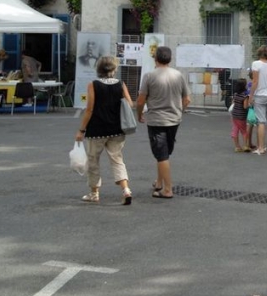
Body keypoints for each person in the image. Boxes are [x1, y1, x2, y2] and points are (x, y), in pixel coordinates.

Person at [75, 56, 133, 205]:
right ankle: (126, 190)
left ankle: (94, 193)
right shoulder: (121, 84)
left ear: (99, 69)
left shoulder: (93, 85)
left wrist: (81, 130)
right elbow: (129, 104)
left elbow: (89, 109)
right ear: (114, 69)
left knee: (93, 161)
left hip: (96, 130)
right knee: (117, 160)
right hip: (117, 129)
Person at [136, 46, 190, 199]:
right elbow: (187, 99)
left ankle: (167, 189)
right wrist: (180, 110)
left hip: (156, 120)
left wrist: (139, 114)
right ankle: (159, 182)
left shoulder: (149, 76)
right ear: (170, 59)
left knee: (161, 155)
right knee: (164, 154)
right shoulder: (178, 75)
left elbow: (140, 100)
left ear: (155, 59)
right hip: (174, 119)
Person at [248, 45, 267, 155]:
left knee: (261, 122)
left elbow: (255, 81)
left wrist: (251, 96)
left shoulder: (256, 64)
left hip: (260, 95)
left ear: (259, 53)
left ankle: (260, 148)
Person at [230, 78, 251, 152]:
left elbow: (233, 103)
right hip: (241, 116)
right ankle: (245, 146)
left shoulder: (235, 94)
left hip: (234, 115)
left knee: (235, 130)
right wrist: (249, 105)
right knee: (244, 131)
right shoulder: (245, 96)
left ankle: (237, 147)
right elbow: (245, 106)